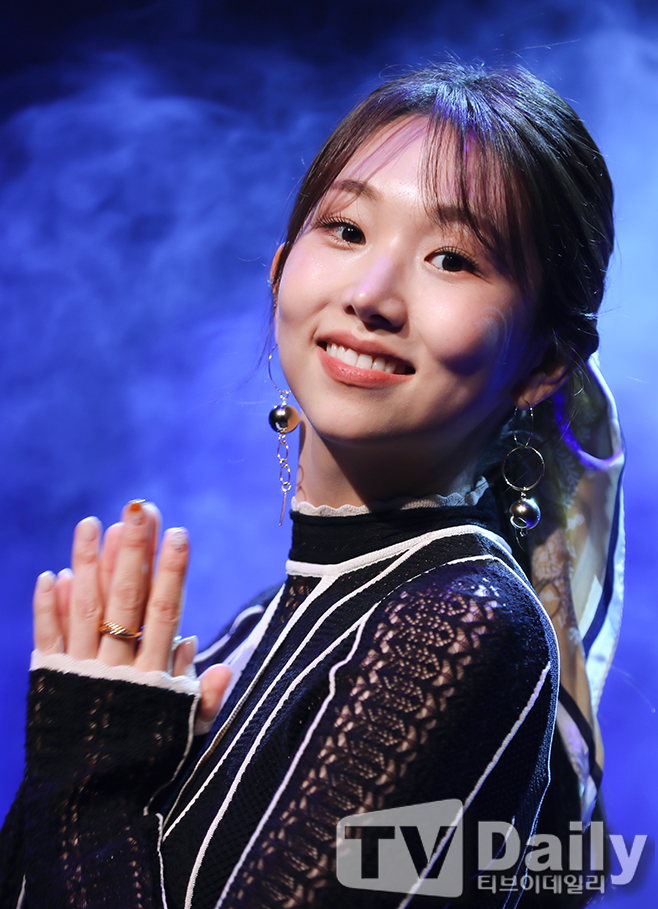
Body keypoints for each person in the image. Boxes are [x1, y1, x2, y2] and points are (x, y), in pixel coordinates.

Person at [0, 62, 624, 908]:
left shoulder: (465, 621)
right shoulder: (250, 632)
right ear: (280, 270)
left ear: (543, 364)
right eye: (347, 230)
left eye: (451, 258)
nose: (371, 295)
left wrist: (87, 769)